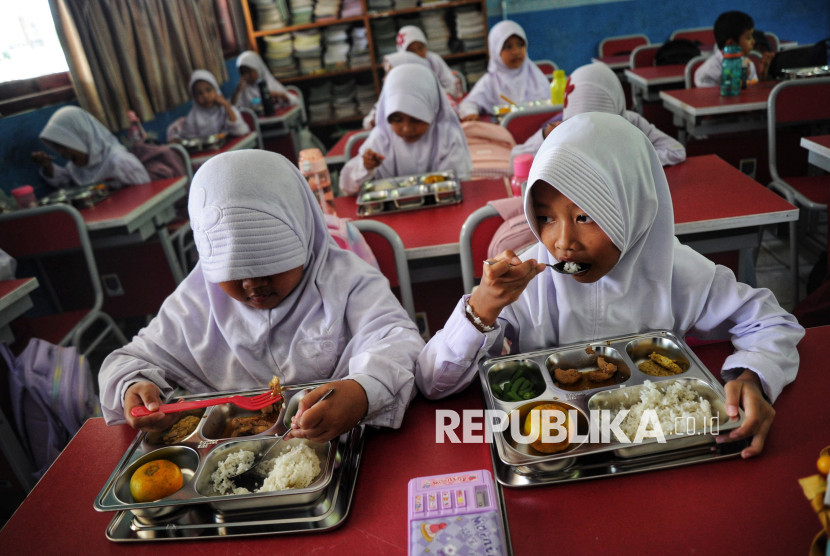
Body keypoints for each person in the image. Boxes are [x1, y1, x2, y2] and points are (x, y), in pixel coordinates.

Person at [416, 112, 803, 459]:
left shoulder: (674, 268)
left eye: (585, 216)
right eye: (545, 217)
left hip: (656, 453)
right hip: (555, 456)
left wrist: (752, 376)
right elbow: (433, 383)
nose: (562, 242)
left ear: (632, 205)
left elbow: (772, 322)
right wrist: (482, 309)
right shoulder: (527, 281)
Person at [98, 150, 424, 442]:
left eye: (272, 263)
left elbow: (399, 341)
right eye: (232, 271)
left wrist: (362, 392)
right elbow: (127, 361)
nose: (253, 284)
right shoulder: (196, 301)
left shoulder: (348, 281)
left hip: (350, 442)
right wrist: (134, 386)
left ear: (303, 233)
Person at [511, 62, 686, 166]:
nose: (589, 133)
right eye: (580, 124)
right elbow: (515, 160)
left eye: (599, 125)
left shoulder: (630, 123)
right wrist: (544, 136)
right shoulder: (563, 129)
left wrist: (633, 164)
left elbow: (676, 150)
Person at [339, 64, 472, 195]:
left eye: (417, 119)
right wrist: (365, 167)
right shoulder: (381, 138)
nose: (407, 129)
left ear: (433, 111)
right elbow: (346, 186)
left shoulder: (447, 136)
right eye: (397, 120)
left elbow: (460, 183)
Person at [31, 106, 150, 189]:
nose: (61, 153)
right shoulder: (77, 167)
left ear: (82, 139)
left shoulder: (121, 163)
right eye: (57, 148)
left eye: (65, 146)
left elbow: (148, 197)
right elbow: (64, 181)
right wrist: (47, 166)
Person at [458, 20, 550, 122]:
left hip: (538, 128)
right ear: (495, 51)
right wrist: (471, 112)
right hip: (506, 133)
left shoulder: (534, 74)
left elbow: (550, 104)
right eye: (508, 47)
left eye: (520, 45)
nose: (515, 52)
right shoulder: (491, 80)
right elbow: (469, 103)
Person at [694, 10, 774, 87]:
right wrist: (739, 80)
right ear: (731, 44)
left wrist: (763, 76)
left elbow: (752, 95)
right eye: (748, 38)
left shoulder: (748, 64)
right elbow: (713, 99)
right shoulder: (708, 72)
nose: (753, 41)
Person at [362, 51, 433, 129]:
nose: (383, 79)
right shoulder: (388, 98)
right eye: (385, 73)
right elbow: (367, 121)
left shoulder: (429, 99)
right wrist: (373, 120)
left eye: (389, 73)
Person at [176, 69, 250, 140]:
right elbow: (188, 141)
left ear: (216, 90)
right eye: (199, 93)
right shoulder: (192, 118)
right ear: (194, 98)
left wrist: (226, 106)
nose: (205, 96)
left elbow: (241, 131)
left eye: (208, 90)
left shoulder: (224, 109)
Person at [396, 25, 463, 99]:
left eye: (420, 48)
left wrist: (439, 95)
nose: (417, 54)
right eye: (411, 51)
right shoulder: (399, 69)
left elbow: (452, 84)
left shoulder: (433, 60)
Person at [231, 50, 297, 111]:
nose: (246, 76)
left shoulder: (271, 84)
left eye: (249, 72)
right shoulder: (244, 90)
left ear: (258, 68)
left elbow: (296, 101)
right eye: (242, 73)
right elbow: (233, 109)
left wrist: (279, 95)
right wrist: (237, 91)